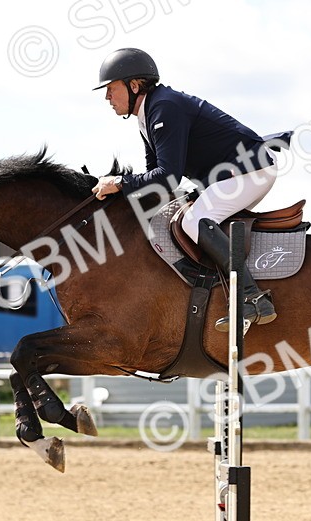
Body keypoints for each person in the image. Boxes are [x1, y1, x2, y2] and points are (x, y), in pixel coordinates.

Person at [92, 47, 278, 331]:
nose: (107, 97)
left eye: (111, 89)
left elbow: (167, 178)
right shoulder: (148, 114)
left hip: (250, 170)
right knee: (174, 216)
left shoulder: (165, 107)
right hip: (232, 175)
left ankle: (252, 298)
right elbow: (154, 176)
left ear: (133, 85)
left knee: (195, 221)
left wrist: (118, 183)